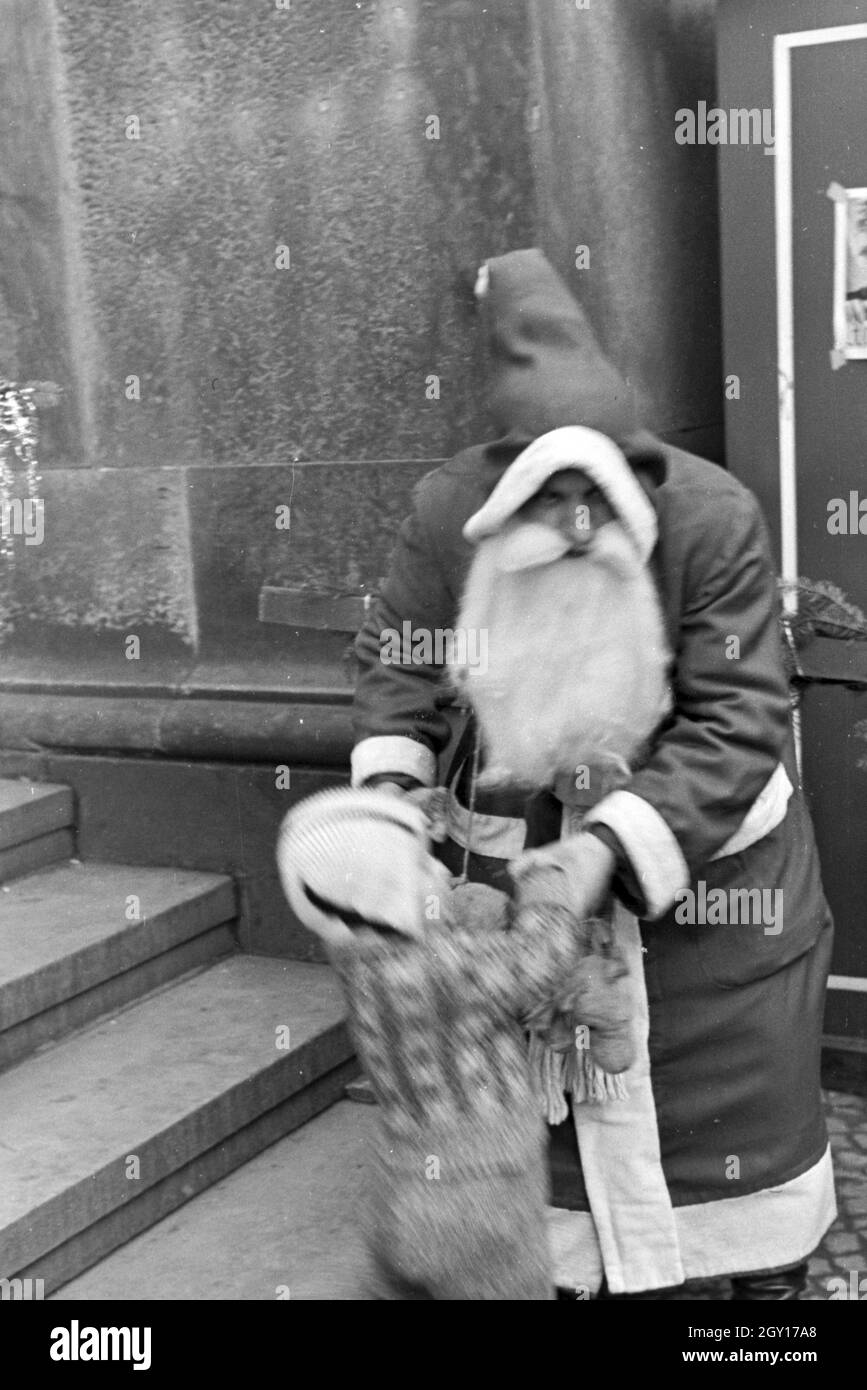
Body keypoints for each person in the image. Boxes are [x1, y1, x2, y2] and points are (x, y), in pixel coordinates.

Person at [350, 248, 836, 1299]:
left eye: (593, 508)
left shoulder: (711, 516)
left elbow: (739, 713)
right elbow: (400, 665)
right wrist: (388, 806)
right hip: (514, 876)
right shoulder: (445, 515)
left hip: (714, 894)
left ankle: (759, 1310)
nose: (574, 530)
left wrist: (609, 848)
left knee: (740, 1175)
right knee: (565, 1173)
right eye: (549, 508)